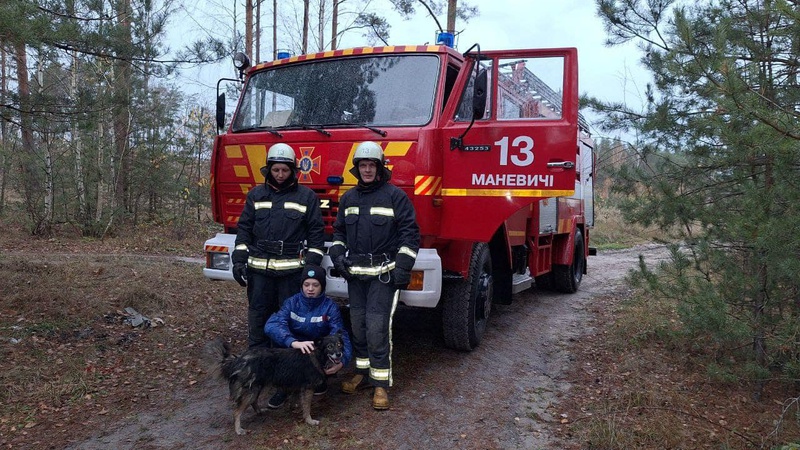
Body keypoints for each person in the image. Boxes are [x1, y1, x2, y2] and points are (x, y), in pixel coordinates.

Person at [328, 141, 420, 410]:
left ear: (380, 169)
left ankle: (381, 384)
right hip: (356, 276)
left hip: (383, 274)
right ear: (357, 169)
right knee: (358, 326)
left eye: (372, 165)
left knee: (377, 328)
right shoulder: (349, 198)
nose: (367, 170)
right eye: (363, 165)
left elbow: (410, 234)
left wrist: (403, 267)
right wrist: (337, 256)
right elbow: (339, 233)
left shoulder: (395, 197)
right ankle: (362, 373)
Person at [231, 143, 325, 348]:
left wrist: (311, 267)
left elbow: (316, 233)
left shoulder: (306, 197)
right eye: (275, 170)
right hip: (259, 271)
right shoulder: (256, 195)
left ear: (293, 171)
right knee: (258, 317)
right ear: (268, 170)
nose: (280, 175)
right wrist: (238, 261)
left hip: (291, 274)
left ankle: (284, 361)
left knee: (289, 320)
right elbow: (244, 228)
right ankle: (257, 359)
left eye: (285, 170)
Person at [263, 265, 353, 408]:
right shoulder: (292, 302)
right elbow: (272, 325)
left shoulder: (330, 307)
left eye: (315, 285)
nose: (310, 289)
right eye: (306, 285)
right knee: (278, 343)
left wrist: (342, 362)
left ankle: (319, 381)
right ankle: (283, 388)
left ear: (322, 287)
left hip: (316, 351)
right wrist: (292, 342)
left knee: (325, 355)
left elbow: (341, 336)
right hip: (294, 348)